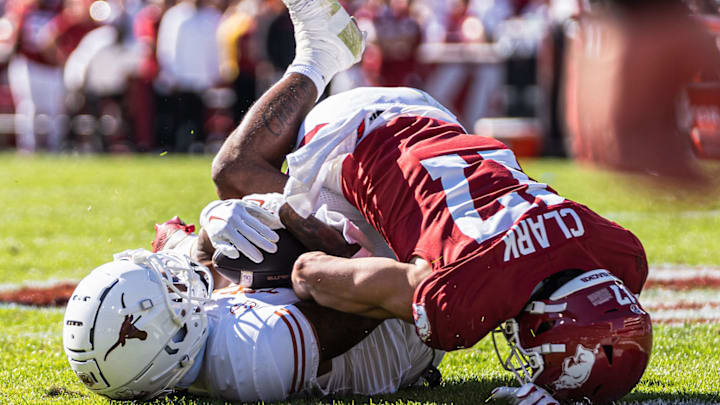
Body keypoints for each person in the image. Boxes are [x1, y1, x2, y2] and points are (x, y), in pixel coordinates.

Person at [204, 0, 652, 403]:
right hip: (351, 136)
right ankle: (320, 55)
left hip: (432, 117)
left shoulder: (624, 256)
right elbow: (310, 275)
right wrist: (376, 278)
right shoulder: (461, 293)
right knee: (235, 173)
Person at [62, 219, 444, 401]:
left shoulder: (176, 350)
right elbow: (367, 303)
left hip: (278, 312)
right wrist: (287, 216)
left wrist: (214, 224)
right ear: (162, 335)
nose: (177, 280)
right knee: (307, 272)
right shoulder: (254, 353)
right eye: (168, 285)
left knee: (230, 236)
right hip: (403, 336)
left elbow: (194, 266)